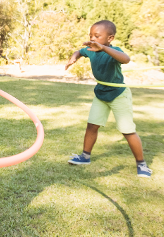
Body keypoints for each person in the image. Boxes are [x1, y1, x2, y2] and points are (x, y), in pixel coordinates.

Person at [64, 20, 152, 178]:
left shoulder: (113, 51)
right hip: (101, 93)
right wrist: (74, 57)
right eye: (91, 35)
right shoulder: (90, 50)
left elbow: (126, 59)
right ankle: (85, 157)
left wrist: (103, 48)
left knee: (127, 131)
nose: (93, 38)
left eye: (97, 36)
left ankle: (142, 164)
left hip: (118, 94)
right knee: (92, 126)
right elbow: (80, 51)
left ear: (109, 38)